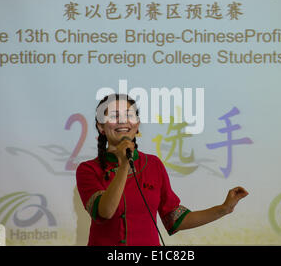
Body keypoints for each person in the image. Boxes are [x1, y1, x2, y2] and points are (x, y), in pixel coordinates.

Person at [76, 93, 248, 246]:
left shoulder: (153, 164)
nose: (123, 120)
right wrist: (123, 166)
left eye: (129, 115)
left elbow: (174, 219)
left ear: (137, 125)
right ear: (101, 127)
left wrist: (224, 208)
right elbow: (104, 212)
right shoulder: (88, 169)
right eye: (114, 116)